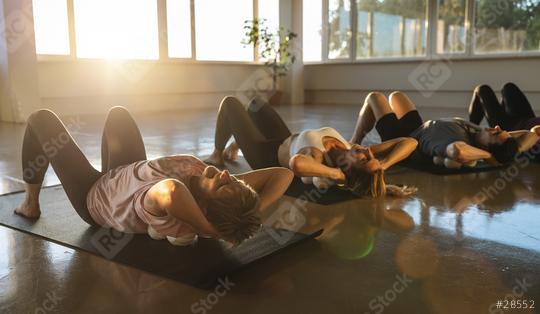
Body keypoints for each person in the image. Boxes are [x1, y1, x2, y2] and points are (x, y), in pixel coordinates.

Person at [14, 107, 294, 246]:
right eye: (232, 179)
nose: (225, 174)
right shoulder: (213, 183)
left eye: (223, 184)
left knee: (41, 119)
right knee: (119, 114)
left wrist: (211, 230)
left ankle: (30, 202)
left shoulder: (161, 202)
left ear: (204, 210)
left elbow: (172, 189)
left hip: (95, 197)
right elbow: (283, 174)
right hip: (127, 170)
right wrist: (251, 209)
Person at [204, 96, 418, 198]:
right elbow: (410, 142)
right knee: (255, 104)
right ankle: (236, 141)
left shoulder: (317, 156)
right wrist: (383, 164)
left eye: (364, 159)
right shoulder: (352, 150)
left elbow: (296, 163)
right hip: (285, 138)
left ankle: (217, 154)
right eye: (371, 155)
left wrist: (336, 175)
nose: (367, 151)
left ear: (346, 169)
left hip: (265, 154)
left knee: (230, 103)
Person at [351, 91, 539, 169]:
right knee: (396, 96)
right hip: (418, 126)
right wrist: (517, 145)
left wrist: (488, 157)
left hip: (403, 138)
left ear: (487, 148)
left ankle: (354, 140)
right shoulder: (478, 134)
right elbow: (531, 135)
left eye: (496, 134)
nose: (496, 128)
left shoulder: (458, 142)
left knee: (374, 97)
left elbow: (457, 152)